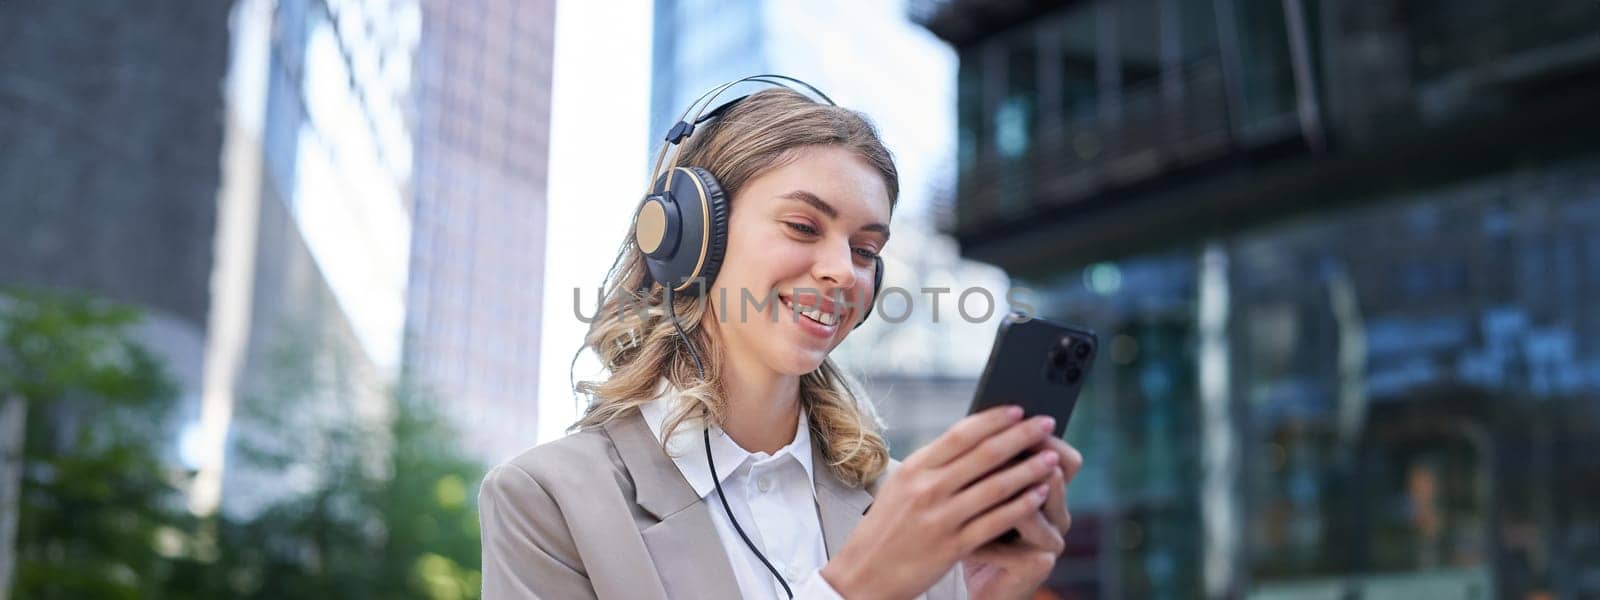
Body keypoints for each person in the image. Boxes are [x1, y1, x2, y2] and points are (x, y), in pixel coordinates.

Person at [479, 76, 1082, 599]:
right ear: (691, 237)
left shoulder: (903, 505)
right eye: (802, 226)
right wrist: (856, 590)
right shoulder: (548, 502)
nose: (844, 271)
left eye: (866, 249)